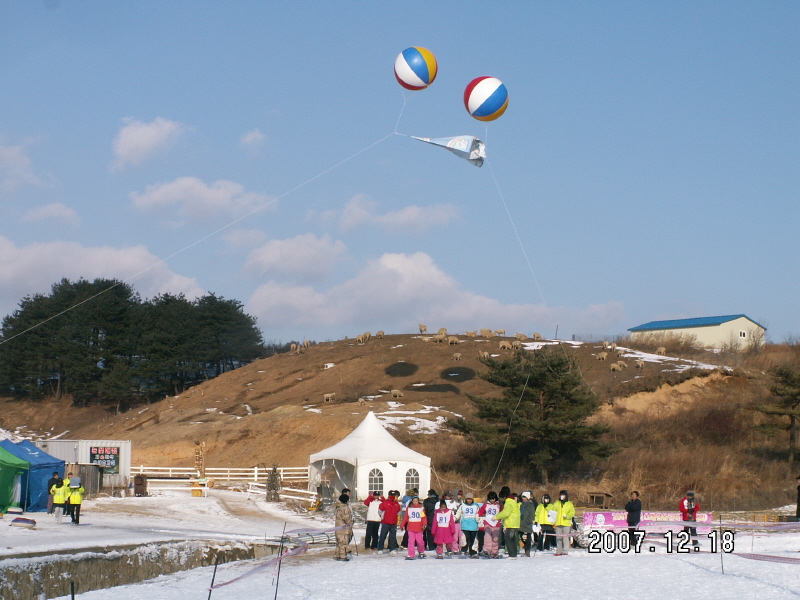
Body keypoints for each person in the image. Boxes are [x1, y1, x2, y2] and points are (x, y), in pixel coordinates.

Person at [400, 495, 427, 560]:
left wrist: (424, 524)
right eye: (414, 501)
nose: (415, 502)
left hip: (419, 528)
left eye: (416, 501)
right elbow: (406, 517)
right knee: (411, 542)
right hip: (411, 528)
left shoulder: (421, 508)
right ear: (412, 501)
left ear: (418, 501)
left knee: (420, 541)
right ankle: (411, 554)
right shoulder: (409, 508)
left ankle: (421, 551)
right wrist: (402, 525)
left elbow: (423, 517)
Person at [495, 492, 521, 559]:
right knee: (513, 539)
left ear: (504, 497)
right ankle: (514, 554)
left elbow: (505, 513)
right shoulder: (513, 502)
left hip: (511, 523)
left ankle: (512, 555)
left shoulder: (508, 502)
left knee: (508, 539)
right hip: (515, 523)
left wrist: (496, 517)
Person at [478, 491, 502, 558]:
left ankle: (494, 552)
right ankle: (487, 550)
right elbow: (482, 511)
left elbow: (502, 512)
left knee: (495, 538)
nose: (492, 500)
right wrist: (478, 515)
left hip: (496, 524)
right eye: (490, 499)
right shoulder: (486, 504)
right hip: (488, 523)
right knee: (487, 537)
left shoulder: (499, 505)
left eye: (493, 499)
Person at [552, 490, 575, 556]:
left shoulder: (569, 504)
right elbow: (553, 511)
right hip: (558, 523)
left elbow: (572, 513)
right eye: (561, 495)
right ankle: (558, 551)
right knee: (558, 538)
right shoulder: (557, 503)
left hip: (566, 524)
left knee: (565, 537)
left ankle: (565, 551)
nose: (562, 496)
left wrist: (567, 516)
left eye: (563, 495)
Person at [460, 492, 481, 557]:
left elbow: (478, 514)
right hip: (465, 525)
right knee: (466, 538)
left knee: (473, 539)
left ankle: (473, 552)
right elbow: (458, 513)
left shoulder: (476, 506)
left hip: (473, 525)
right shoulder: (462, 506)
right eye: (468, 499)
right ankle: (464, 549)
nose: (469, 500)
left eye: (470, 499)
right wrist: (454, 518)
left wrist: (479, 520)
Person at [334, 493, 353, 561]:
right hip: (344, 528)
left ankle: (337, 555)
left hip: (337, 526)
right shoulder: (345, 507)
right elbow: (346, 518)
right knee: (344, 542)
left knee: (338, 542)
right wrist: (351, 522)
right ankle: (343, 556)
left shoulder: (337, 507)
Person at [518, 491, 537, 557]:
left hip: (527, 524)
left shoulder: (530, 504)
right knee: (522, 537)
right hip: (521, 524)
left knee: (527, 538)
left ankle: (527, 551)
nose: (523, 498)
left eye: (525, 497)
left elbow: (532, 514)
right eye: (523, 497)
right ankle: (525, 549)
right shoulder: (521, 505)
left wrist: (528, 521)